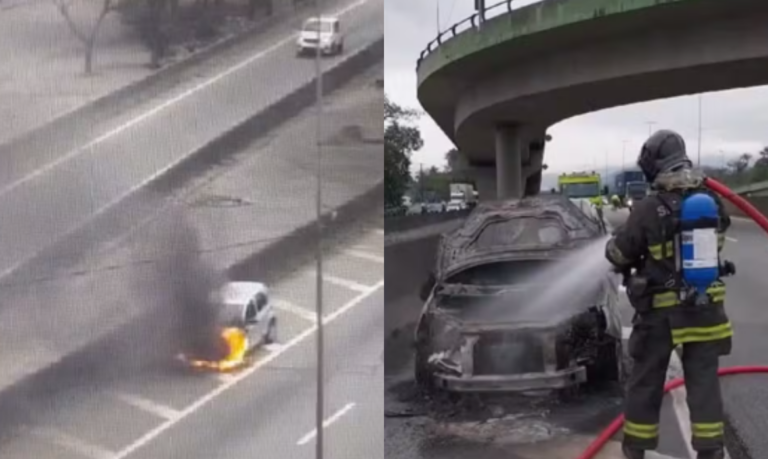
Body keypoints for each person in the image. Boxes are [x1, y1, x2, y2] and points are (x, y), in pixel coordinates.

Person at [604, 130, 734, 459]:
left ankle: (636, 448)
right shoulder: (711, 201)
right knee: (704, 382)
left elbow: (620, 253)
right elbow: (723, 232)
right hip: (707, 311)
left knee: (646, 382)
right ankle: (710, 450)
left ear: (654, 164)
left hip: (660, 316)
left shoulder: (649, 208)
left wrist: (614, 245)